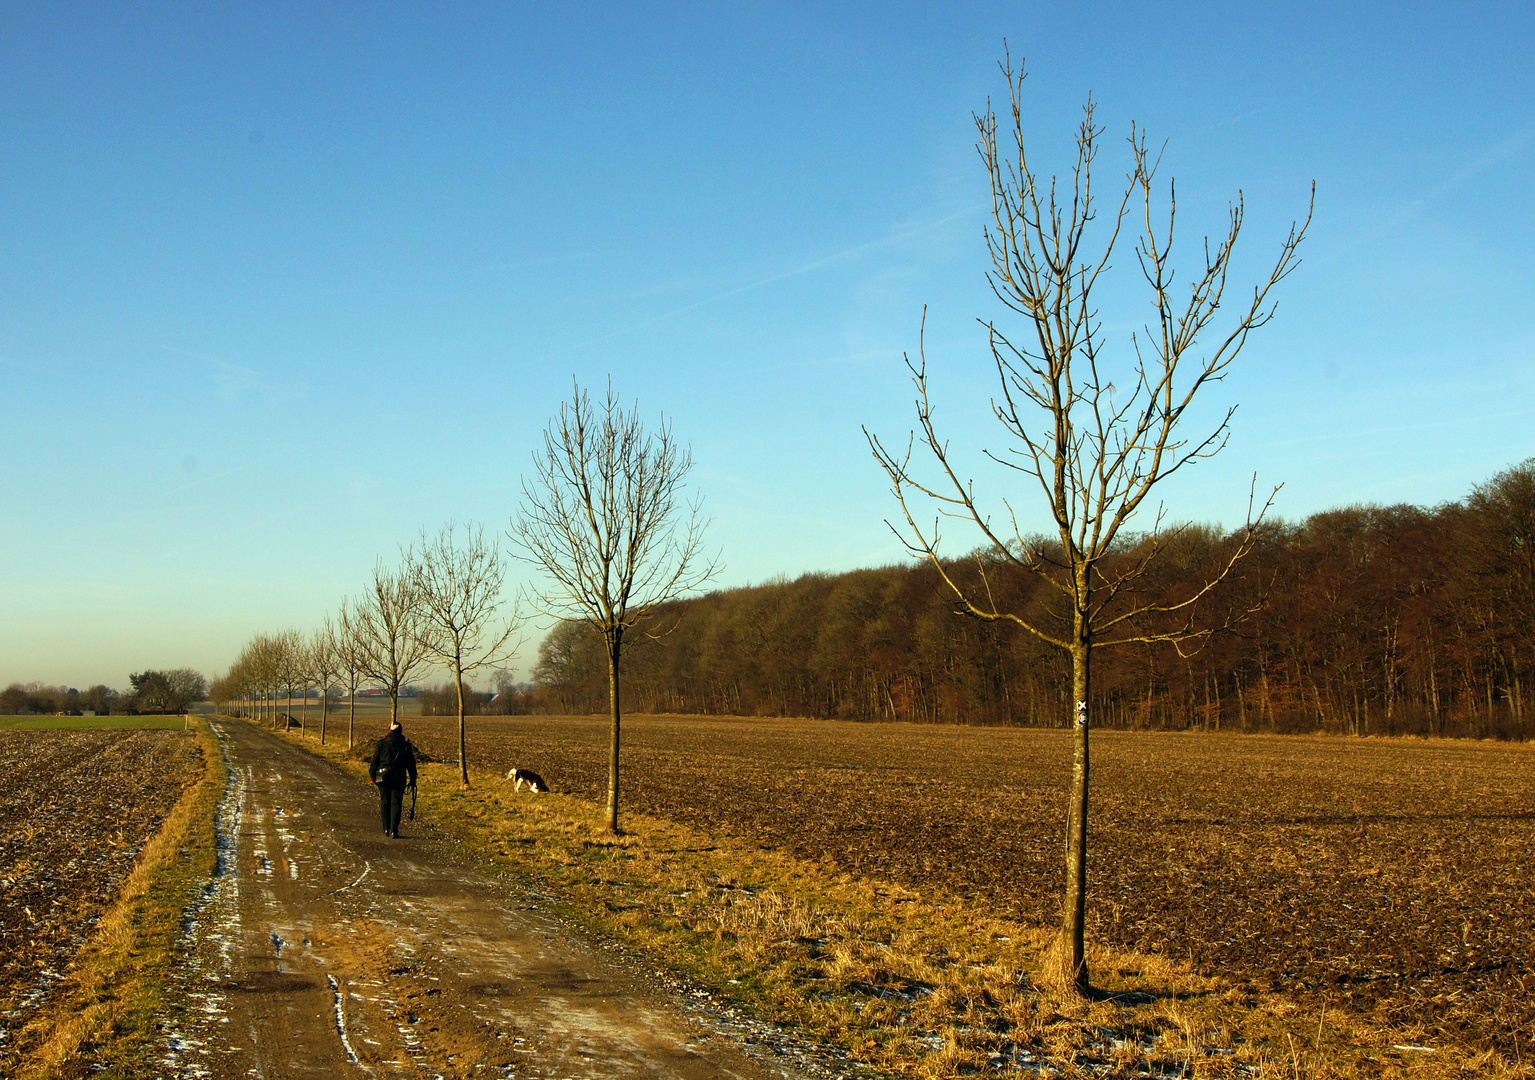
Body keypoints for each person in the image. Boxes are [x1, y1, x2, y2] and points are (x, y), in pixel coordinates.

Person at [368, 719, 418, 838]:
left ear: (389, 730)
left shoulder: (381, 743)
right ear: (401, 731)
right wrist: (412, 779)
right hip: (399, 777)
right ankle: (394, 830)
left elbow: (375, 760)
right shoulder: (406, 745)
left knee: (384, 802)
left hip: (383, 776)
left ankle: (386, 828)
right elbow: (411, 764)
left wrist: (372, 775)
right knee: (396, 803)